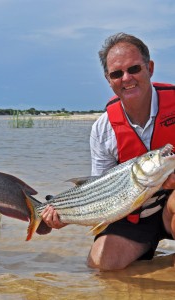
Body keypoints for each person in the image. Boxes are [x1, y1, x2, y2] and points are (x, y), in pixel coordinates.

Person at [41, 32, 175, 271]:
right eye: (117, 74)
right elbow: (101, 193)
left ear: (150, 68)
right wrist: (66, 216)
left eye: (134, 69)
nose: (127, 78)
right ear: (108, 79)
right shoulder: (103, 128)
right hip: (133, 214)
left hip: (171, 207)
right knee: (102, 266)